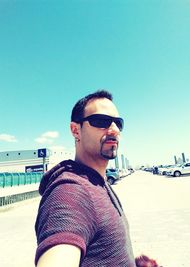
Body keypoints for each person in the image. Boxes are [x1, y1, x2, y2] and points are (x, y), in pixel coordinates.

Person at [35, 90, 137, 267]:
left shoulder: (99, 182)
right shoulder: (70, 191)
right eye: (101, 121)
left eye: (118, 123)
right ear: (76, 130)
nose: (114, 129)